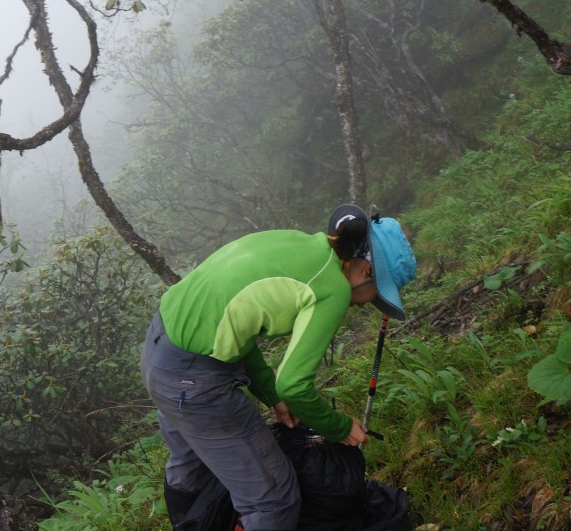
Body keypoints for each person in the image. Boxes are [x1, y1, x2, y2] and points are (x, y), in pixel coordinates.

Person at [140, 204, 416, 531]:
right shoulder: (333, 286)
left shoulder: (301, 245)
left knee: (191, 467)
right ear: (367, 273)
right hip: (194, 382)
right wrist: (338, 427)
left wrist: (272, 396)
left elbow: (236, 329)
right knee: (273, 500)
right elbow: (295, 385)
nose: (364, 305)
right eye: (374, 297)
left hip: (160, 351)